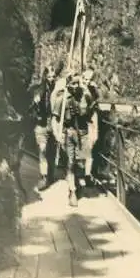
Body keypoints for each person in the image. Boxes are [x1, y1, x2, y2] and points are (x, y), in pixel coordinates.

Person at [51, 73, 92, 207]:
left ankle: (76, 183)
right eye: (72, 84)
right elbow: (55, 119)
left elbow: (92, 113)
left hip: (83, 134)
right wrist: (57, 134)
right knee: (70, 163)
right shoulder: (62, 100)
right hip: (69, 133)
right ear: (68, 85)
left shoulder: (85, 97)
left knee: (80, 164)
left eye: (77, 83)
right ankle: (72, 191)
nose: (75, 86)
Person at [32, 65, 57, 191]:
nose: (52, 79)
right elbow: (34, 101)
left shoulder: (57, 89)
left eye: (53, 77)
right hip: (41, 124)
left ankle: (51, 174)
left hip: (53, 124)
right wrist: (36, 102)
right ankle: (44, 177)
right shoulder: (39, 89)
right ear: (45, 77)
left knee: (51, 151)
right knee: (42, 150)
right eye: (49, 77)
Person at [81, 68, 101, 186]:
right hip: (81, 121)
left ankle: (87, 174)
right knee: (84, 147)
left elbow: (97, 99)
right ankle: (84, 173)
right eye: (85, 79)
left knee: (92, 143)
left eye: (89, 79)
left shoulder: (92, 89)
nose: (87, 81)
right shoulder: (78, 89)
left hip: (92, 119)